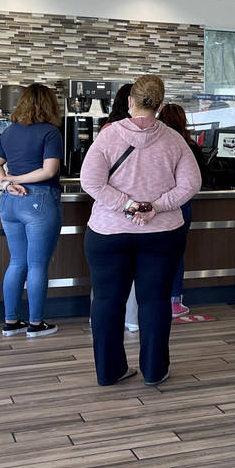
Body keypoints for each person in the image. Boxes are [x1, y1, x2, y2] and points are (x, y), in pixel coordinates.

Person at [81, 75, 201, 386]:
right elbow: (191, 184)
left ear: (131, 102)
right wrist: (156, 206)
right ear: (159, 105)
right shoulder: (174, 140)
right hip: (162, 233)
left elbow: (91, 183)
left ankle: (110, 371)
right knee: (156, 300)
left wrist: (126, 204)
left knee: (107, 301)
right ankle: (154, 370)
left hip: (108, 232)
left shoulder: (107, 136)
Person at [0, 83, 64, 338]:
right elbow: (49, 170)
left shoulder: (10, 132)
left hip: (9, 203)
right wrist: (18, 180)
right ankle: (35, 323)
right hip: (38, 201)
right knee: (37, 265)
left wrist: (8, 182)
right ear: (50, 105)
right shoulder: (51, 133)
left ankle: (10, 322)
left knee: (17, 261)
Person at [158, 103, 207, 317]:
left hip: (157, 205)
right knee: (177, 254)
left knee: (155, 255)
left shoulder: (158, 144)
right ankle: (174, 301)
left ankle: (154, 298)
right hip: (181, 205)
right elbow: (199, 178)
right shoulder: (189, 146)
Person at [100, 83, 141, 332]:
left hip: (111, 213)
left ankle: (103, 320)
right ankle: (132, 319)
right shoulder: (161, 133)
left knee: (108, 275)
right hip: (139, 213)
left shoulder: (107, 129)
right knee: (134, 271)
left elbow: (92, 178)